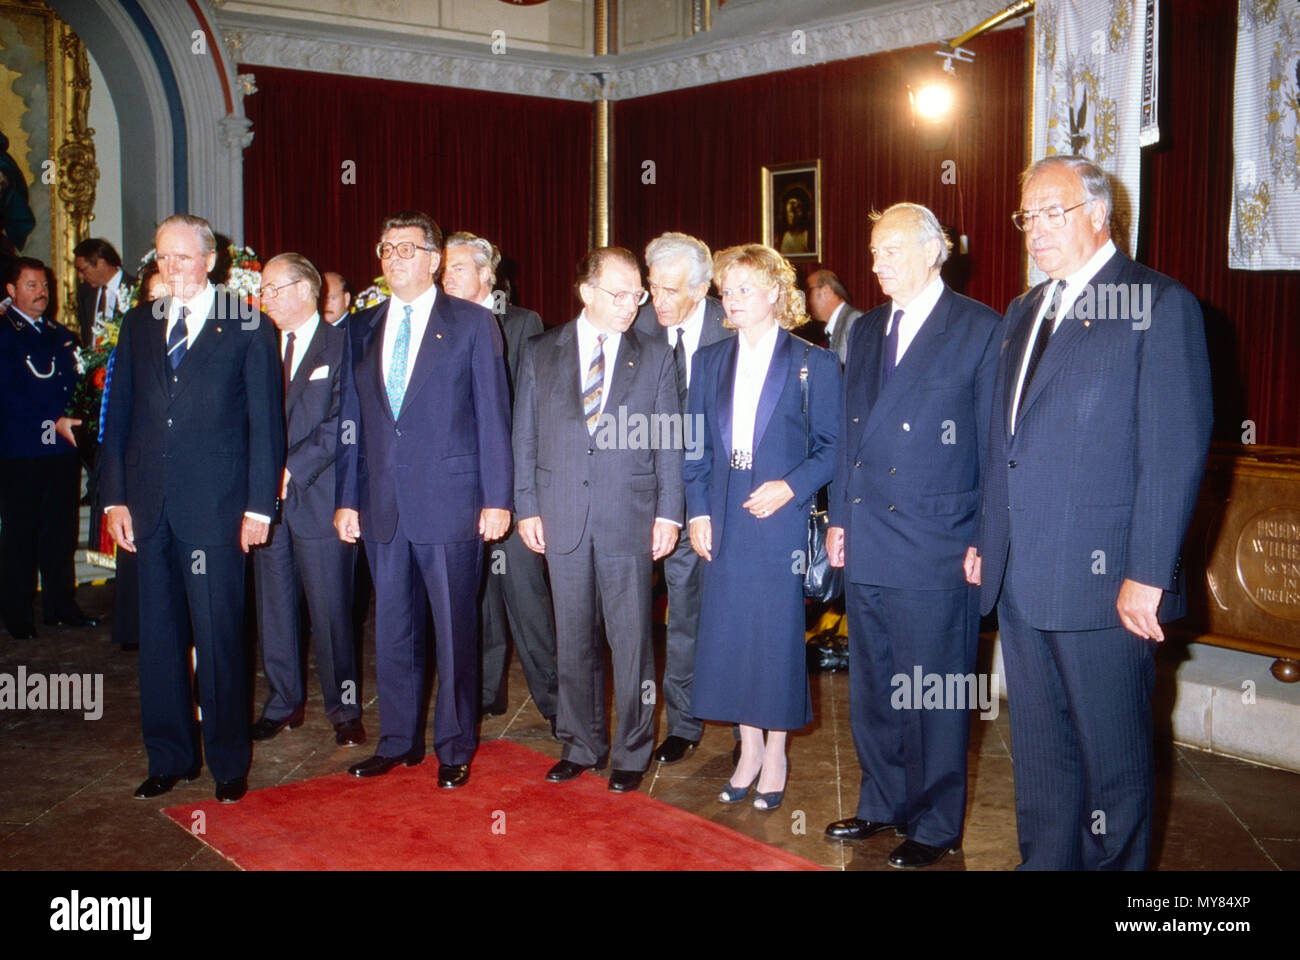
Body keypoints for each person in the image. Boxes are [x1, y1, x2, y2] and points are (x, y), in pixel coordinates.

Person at [968, 155, 1213, 870]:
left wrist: (1148, 573)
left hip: (1107, 587)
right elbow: (1001, 443)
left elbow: (1172, 454)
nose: (1036, 230)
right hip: (1021, 579)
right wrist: (990, 540)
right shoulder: (1022, 309)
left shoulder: (1156, 303)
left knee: (1115, 766)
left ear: (1099, 215)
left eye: (1054, 212)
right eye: (1028, 216)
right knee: (1042, 763)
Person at [822, 203, 1000, 868]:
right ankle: (882, 800)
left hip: (937, 541)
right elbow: (850, 434)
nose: (876, 264)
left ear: (935, 251)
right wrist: (840, 515)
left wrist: (986, 537)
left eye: (890, 250)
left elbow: (992, 447)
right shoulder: (866, 330)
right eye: (872, 252)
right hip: (868, 532)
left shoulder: (980, 328)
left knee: (933, 688)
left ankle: (935, 820)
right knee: (873, 683)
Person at [102, 213, 284, 804]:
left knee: (220, 637)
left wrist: (260, 507)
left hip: (217, 511)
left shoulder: (249, 326)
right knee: (158, 639)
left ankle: (229, 763)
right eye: (162, 257)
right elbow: (119, 420)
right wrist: (114, 499)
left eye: (182, 257)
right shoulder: (139, 324)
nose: (170, 269)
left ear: (211, 261)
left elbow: (267, 428)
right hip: (148, 508)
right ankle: (170, 756)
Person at [334, 210, 513, 790]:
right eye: (385, 249)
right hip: (382, 502)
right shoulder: (360, 327)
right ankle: (398, 741)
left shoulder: (471, 324)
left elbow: (494, 417)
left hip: (452, 501)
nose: (393, 259)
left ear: (435, 259)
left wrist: (497, 498)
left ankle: (455, 745)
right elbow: (352, 422)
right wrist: (346, 499)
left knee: (455, 631)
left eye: (406, 249)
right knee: (392, 630)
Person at [513, 246, 683, 793]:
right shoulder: (541, 351)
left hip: (628, 515)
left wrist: (669, 513)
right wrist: (527, 506)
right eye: (619, 293)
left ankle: (633, 751)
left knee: (632, 640)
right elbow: (524, 437)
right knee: (573, 638)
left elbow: (671, 445)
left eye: (638, 293)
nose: (632, 304)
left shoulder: (655, 355)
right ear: (586, 292)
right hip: (559, 513)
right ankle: (581, 744)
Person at [685, 244, 840, 810]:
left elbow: (833, 448)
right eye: (727, 289)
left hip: (780, 520)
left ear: (776, 292)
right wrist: (698, 511)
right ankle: (746, 749)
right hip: (724, 516)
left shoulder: (813, 362)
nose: (733, 299)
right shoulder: (709, 361)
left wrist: (791, 486)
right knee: (729, 638)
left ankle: (775, 752)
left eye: (745, 288)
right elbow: (695, 447)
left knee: (773, 641)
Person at [441, 230, 558, 728]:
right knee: (477, 601)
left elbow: (530, 414)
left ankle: (558, 706)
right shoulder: (437, 323)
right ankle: (487, 693)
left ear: (486, 275)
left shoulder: (522, 323)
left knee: (528, 605)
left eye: (458, 269)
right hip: (457, 489)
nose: (447, 277)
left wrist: (518, 494)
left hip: (509, 489)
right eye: (444, 269)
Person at [251, 253, 364, 747]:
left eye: (274, 289)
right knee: (274, 607)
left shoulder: (345, 343)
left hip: (320, 498)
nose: (264, 299)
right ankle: (283, 702)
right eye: (263, 290)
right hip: (264, 502)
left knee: (333, 610)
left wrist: (290, 469)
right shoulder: (256, 345)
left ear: (305, 290)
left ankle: (344, 710)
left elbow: (344, 421)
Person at [632, 231, 734, 764]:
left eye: (672, 290)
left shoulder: (733, 323)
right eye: (653, 288)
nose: (659, 301)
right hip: (665, 503)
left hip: (726, 500)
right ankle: (685, 720)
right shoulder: (642, 325)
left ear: (701, 288)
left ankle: (749, 723)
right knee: (683, 613)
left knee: (736, 614)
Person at [0, 258, 96, 639]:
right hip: (21, 449)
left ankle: (60, 606)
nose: (41, 292)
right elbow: (9, 396)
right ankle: (18, 613)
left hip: (60, 449)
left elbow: (75, 387)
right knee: (21, 534)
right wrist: (52, 423)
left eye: (44, 285)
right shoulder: (5, 334)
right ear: (11, 290)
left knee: (61, 531)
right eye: (31, 285)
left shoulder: (61, 333)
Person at [99, 263, 169, 653]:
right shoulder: (131, 347)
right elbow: (115, 423)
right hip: (140, 476)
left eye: (168, 296)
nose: (163, 303)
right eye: (154, 297)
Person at [74, 239, 135, 348]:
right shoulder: (85, 293)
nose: (80, 276)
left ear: (101, 263)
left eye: (83, 270)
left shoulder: (135, 289)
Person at [804, 269, 862, 365]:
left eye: (809, 291)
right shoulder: (835, 326)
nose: (806, 299)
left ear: (826, 290)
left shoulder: (854, 320)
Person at [777, 191, 812, 256]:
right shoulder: (780, 237)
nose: (792, 215)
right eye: (790, 212)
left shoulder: (808, 236)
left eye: (797, 210)